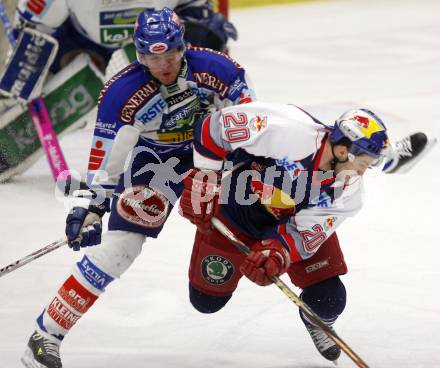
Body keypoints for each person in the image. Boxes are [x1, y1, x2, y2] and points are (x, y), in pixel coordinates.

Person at [20, 7, 254, 368]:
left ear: (183, 46)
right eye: (150, 56)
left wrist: (240, 170)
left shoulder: (219, 69)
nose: (162, 65)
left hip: (216, 156)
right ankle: (46, 335)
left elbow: (251, 126)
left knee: (266, 212)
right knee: (120, 247)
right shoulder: (121, 92)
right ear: (139, 53)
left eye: (171, 54)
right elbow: (104, 160)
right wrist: (90, 206)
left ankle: (316, 291)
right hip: (159, 160)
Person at [179, 103, 391, 363]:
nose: (361, 172)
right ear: (342, 150)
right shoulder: (289, 129)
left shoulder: (349, 192)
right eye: (362, 162)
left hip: (287, 222)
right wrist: (205, 179)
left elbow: (303, 234)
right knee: (205, 301)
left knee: (329, 301)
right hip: (233, 211)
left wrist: (278, 251)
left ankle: (313, 320)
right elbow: (213, 128)